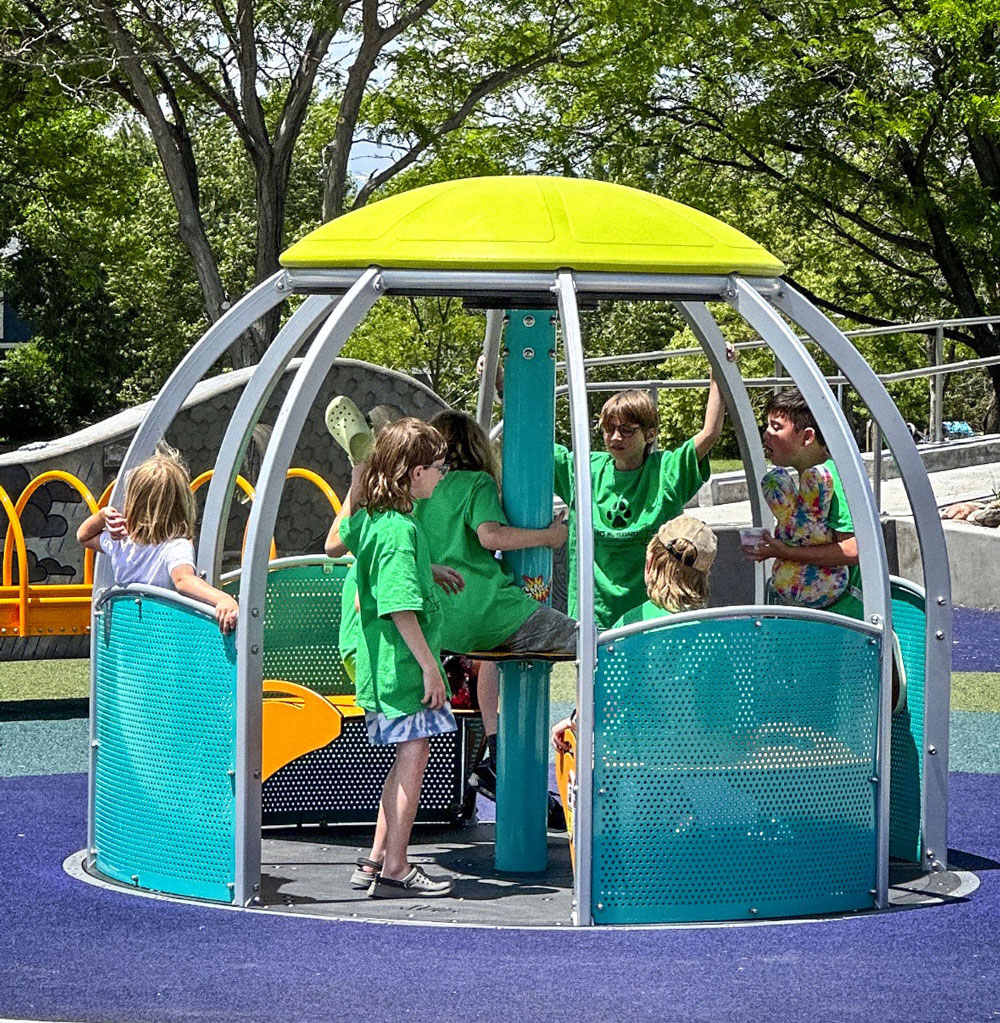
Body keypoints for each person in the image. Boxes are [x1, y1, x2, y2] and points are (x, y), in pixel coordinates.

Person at [417, 410, 575, 801]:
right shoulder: (476, 483)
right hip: (486, 610)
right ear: (476, 447)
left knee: (492, 655)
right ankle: (593, 725)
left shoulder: (419, 491)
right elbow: (490, 536)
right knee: (590, 642)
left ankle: (495, 746)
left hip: (440, 622)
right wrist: (549, 536)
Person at [336, 417, 460, 898]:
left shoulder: (373, 520)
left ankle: (374, 860)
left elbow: (347, 536)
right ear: (413, 473)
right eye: (437, 467)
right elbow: (398, 606)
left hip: (382, 670)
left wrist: (426, 568)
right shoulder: (400, 531)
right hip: (404, 671)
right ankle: (397, 867)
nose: (442, 475)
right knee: (414, 757)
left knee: (405, 760)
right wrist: (431, 666)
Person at [554, 375, 728, 631]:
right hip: (594, 615)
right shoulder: (582, 471)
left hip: (652, 616)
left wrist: (718, 372)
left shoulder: (667, 472)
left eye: (626, 430)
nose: (615, 437)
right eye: (608, 429)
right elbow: (532, 438)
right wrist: (504, 385)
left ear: (650, 434)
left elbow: (710, 433)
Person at [552, 515, 718, 755]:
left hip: (641, 769)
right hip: (708, 764)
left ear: (649, 564)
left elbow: (602, 705)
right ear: (705, 576)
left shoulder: (630, 627)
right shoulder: (718, 635)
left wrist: (574, 722)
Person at [76, 446, 238, 633]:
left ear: (133, 503)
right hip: (162, 642)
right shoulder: (175, 546)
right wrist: (222, 599)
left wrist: (103, 515)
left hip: (128, 639)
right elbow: (183, 580)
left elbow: (83, 536)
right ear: (182, 504)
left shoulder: (122, 543)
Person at [742, 389, 861, 617]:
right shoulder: (803, 482)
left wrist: (787, 552)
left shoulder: (835, 480)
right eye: (767, 426)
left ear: (807, 437)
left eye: (776, 427)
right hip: (817, 615)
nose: (766, 434)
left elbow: (854, 550)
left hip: (845, 618)